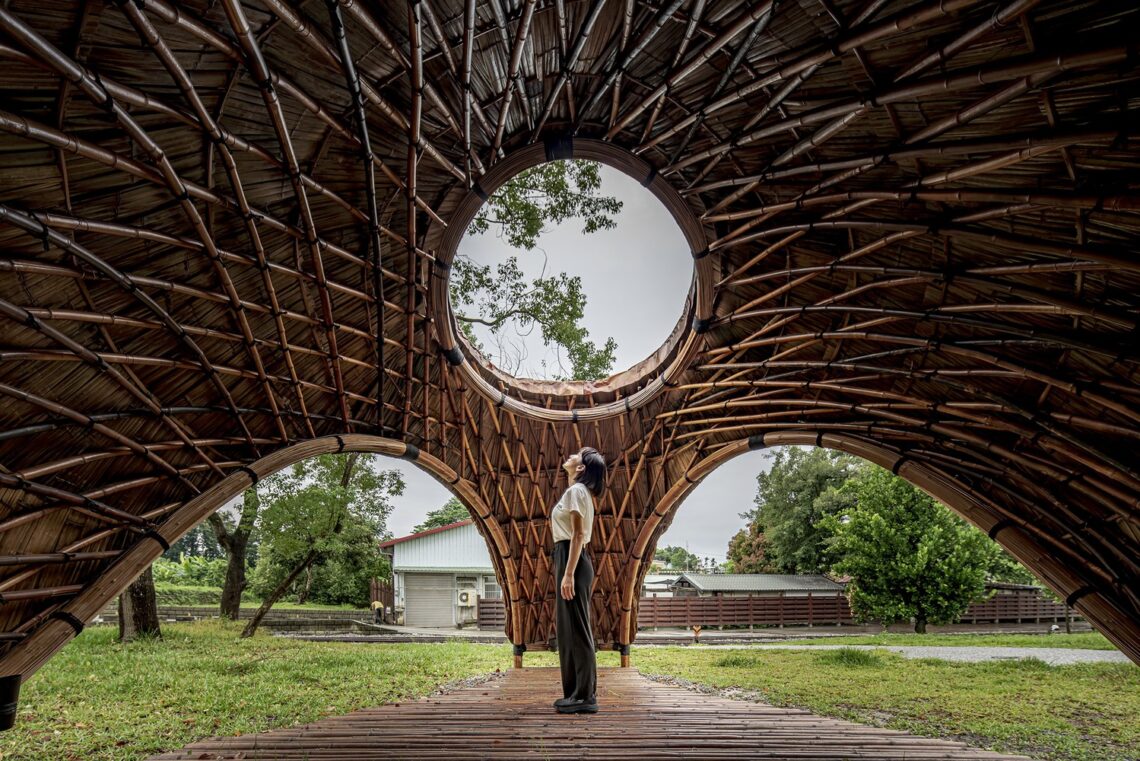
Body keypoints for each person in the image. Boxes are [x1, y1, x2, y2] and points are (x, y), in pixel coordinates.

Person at [550, 446, 606, 714]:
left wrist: (568, 573)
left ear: (581, 468)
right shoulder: (578, 492)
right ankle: (576, 693)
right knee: (569, 629)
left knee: (578, 629)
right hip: (568, 557)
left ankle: (585, 695)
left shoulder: (576, 492)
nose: (570, 457)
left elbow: (578, 535)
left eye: (577, 456)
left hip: (571, 559)